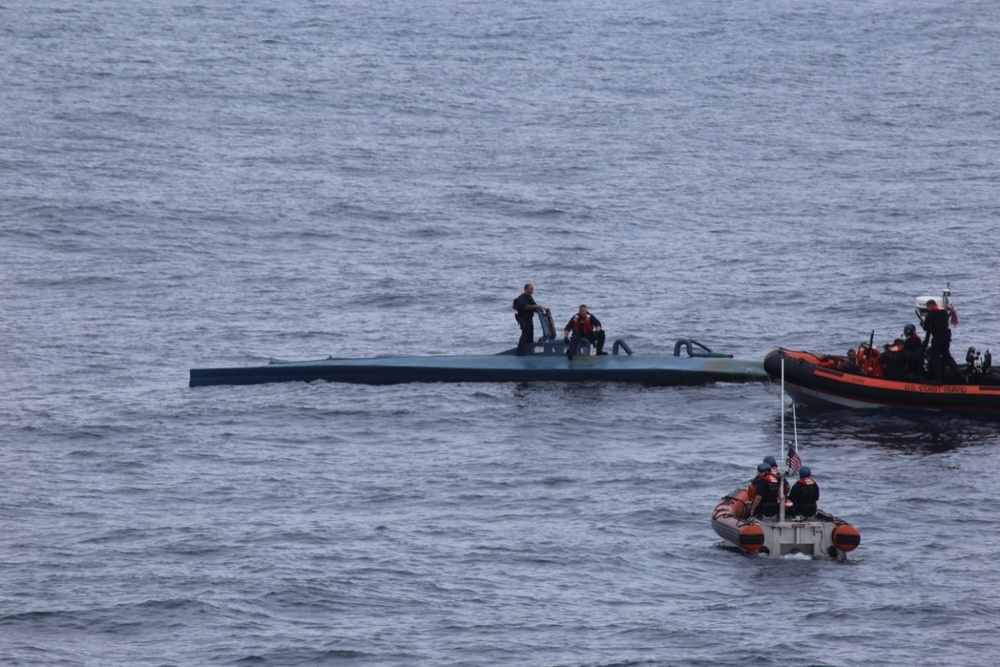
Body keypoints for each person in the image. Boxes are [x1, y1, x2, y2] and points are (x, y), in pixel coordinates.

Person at [922, 299, 961, 383]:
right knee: (947, 355)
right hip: (946, 337)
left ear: (931, 306)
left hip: (937, 338)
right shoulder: (943, 312)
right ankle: (958, 374)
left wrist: (925, 323)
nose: (927, 309)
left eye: (927, 307)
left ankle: (938, 379)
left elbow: (925, 327)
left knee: (935, 357)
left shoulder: (931, 314)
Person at [513, 283, 547, 355]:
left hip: (529, 319)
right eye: (530, 289)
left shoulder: (530, 298)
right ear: (525, 289)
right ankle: (519, 351)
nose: (532, 291)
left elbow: (535, 306)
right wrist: (534, 306)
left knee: (530, 335)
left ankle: (528, 350)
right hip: (523, 319)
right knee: (525, 335)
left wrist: (544, 309)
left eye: (532, 289)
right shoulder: (522, 298)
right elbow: (525, 306)